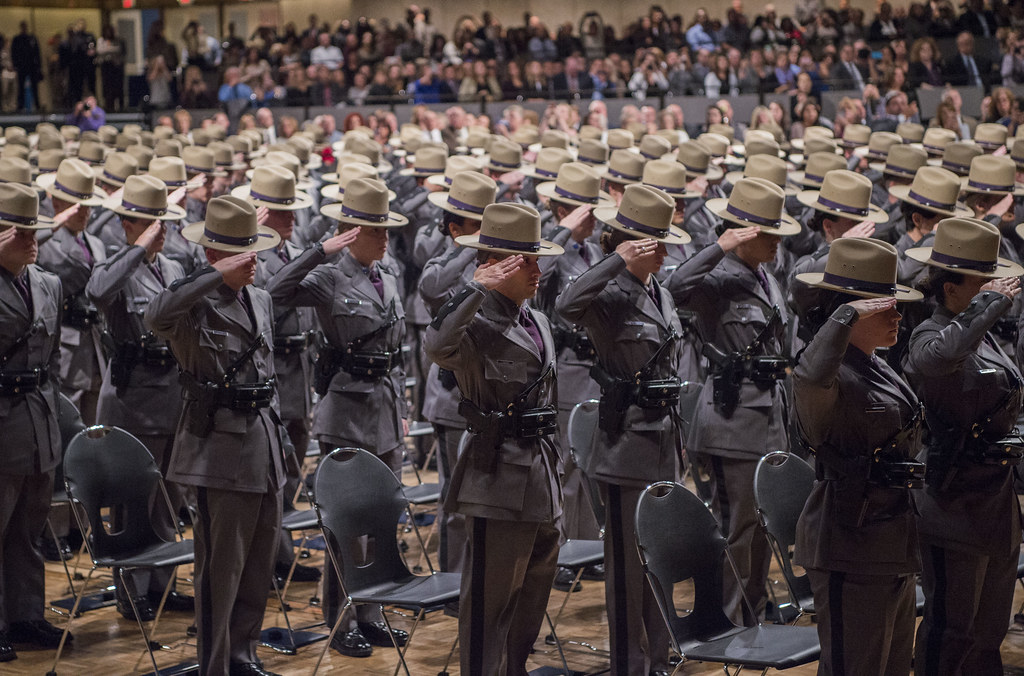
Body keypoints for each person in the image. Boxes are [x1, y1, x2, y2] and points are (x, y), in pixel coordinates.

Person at [265, 178, 410, 659]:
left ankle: (371, 614)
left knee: (382, 523)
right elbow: (275, 291)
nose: (385, 238)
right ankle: (341, 617)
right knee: (345, 527)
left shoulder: (388, 273)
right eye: (375, 230)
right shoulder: (329, 275)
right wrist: (318, 251)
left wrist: (403, 412)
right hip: (346, 412)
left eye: (386, 229)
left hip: (386, 410)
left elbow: (398, 352)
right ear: (350, 232)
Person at [145, 196, 286, 676]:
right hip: (218, 450)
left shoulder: (260, 298)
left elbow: (267, 374)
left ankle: (243, 654)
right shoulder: (193, 303)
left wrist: (282, 446)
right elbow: (155, 316)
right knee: (220, 571)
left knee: (258, 563)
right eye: (240, 252)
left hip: (263, 444)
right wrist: (212, 275)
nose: (253, 260)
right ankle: (215, 665)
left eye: (254, 250)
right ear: (212, 254)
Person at [556, 183, 694, 675]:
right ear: (631, 244)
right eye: (655, 245)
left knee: (659, 556)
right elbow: (565, 305)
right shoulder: (608, 293)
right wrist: (615, 260)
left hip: (664, 440)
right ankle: (627, 664)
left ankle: (658, 655)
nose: (665, 254)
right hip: (623, 445)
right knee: (626, 567)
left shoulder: (661, 291)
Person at [424, 202, 563, 676]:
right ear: (496, 265)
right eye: (527, 262)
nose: (537, 271)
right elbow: (437, 346)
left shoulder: (537, 320)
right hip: (496, 476)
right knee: (490, 604)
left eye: (538, 260)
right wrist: (473, 287)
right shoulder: (474, 322)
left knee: (531, 597)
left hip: (542, 474)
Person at [667, 177, 799, 626]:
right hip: (731, 419)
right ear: (742, 233)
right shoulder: (716, 277)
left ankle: (752, 611)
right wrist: (718, 246)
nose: (777, 242)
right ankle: (727, 621)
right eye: (768, 233)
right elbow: (673, 286)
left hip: (769, 415)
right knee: (737, 527)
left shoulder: (766, 276)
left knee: (762, 527)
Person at [792, 236, 924, 676]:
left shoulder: (874, 362)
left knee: (891, 666)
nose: (898, 315)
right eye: (885, 307)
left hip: (892, 537)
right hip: (849, 541)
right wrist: (844, 316)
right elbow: (809, 378)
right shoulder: (828, 371)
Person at [902, 217, 1023, 675]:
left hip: (995, 499)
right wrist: (987, 306)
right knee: (951, 631)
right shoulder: (929, 334)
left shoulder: (984, 336)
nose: (996, 290)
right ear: (950, 288)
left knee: (990, 630)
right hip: (953, 501)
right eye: (982, 284)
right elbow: (936, 360)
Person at [85, 175, 193, 621]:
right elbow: (97, 291)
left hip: (173, 395)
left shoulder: (173, 268)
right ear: (127, 225)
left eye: (162, 223)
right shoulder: (116, 267)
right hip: (134, 399)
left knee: (168, 497)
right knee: (133, 501)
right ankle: (132, 589)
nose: (159, 231)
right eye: (149, 223)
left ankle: (163, 584)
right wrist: (138, 248)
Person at [234, 166, 322, 585]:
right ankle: (265, 558)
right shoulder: (252, 253)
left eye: (293, 210)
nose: (292, 218)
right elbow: (266, 297)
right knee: (270, 473)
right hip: (270, 370)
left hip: (299, 369)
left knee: (291, 469)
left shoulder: (294, 248)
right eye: (282, 211)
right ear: (261, 213)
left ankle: (280, 552)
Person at [0, 183, 71, 663]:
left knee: (29, 526)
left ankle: (26, 615)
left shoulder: (48, 283)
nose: (32, 241)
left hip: (39, 419)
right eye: (20, 233)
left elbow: (53, 358)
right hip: (2, 420)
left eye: (34, 231)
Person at [35, 158, 108, 425]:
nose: (85, 213)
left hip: (95, 344)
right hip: (66, 343)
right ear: (57, 203)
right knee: (67, 422)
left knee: (95, 425)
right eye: (78, 206)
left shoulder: (96, 243)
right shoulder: (44, 242)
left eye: (88, 206)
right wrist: (52, 225)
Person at [11, 22, 43, 113]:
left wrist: (39, 66)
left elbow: (37, 52)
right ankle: (20, 105)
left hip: (32, 66)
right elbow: (14, 52)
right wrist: (15, 64)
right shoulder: (17, 39)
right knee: (21, 87)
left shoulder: (32, 38)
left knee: (34, 87)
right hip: (22, 66)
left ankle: (37, 104)